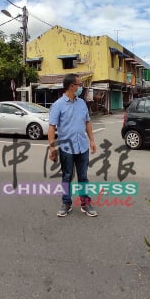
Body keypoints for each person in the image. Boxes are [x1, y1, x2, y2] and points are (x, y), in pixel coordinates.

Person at [48, 74, 98, 217]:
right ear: (71, 86)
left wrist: (92, 140)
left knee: (83, 177)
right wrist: (52, 147)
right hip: (66, 148)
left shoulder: (81, 103)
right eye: (79, 84)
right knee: (67, 176)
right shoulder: (58, 105)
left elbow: (87, 122)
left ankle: (85, 203)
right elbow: (52, 127)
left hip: (82, 147)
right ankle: (66, 202)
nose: (80, 87)